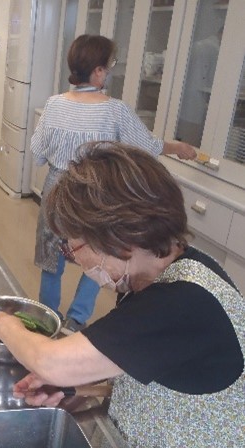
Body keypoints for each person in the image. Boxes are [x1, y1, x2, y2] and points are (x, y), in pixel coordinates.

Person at [0, 141, 244, 448]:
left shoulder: (183, 301)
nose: (77, 261)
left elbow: (49, 359)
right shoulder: (163, 275)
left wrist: (3, 324)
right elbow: (158, 373)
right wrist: (77, 389)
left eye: (74, 248)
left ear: (118, 237)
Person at [31, 34, 197, 333]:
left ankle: (46, 319)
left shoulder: (54, 104)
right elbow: (146, 146)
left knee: (50, 256)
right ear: (96, 71)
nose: (108, 72)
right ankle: (76, 321)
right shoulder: (114, 109)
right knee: (99, 257)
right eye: (108, 67)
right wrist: (177, 147)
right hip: (98, 195)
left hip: (57, 192)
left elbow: (37, 152)